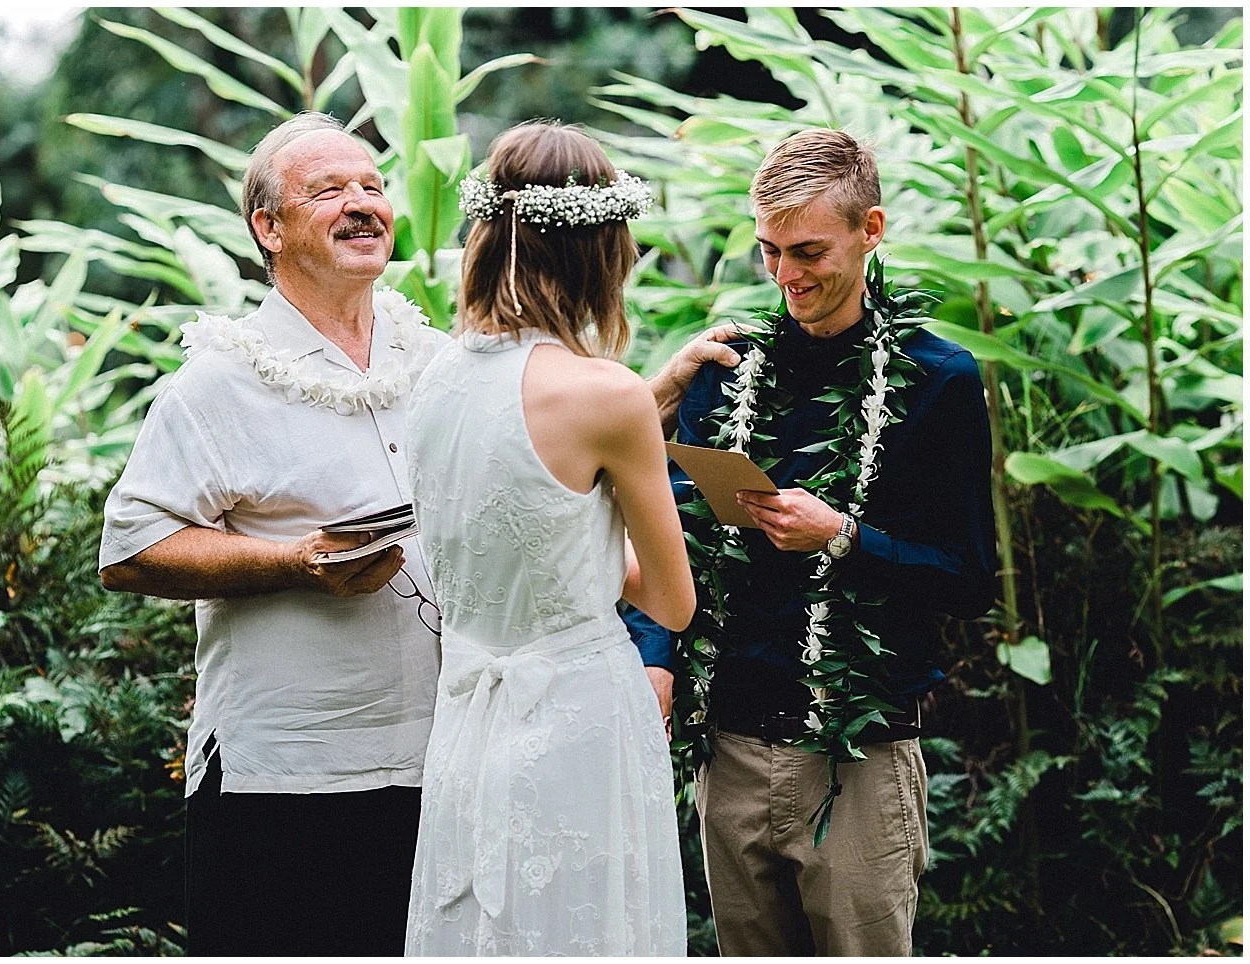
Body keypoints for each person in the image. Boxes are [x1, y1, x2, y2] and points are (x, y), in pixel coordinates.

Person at [625, 128, 996, 955]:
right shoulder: (726, 370)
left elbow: (970, 581)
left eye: (808, 251)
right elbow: (666, 539)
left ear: (871, 230)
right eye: (769, 251)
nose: (786, 275)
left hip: (857, 757)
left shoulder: (940, 380)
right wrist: (654, 655)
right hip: (729, 747)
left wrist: (846, 538)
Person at [98, 111, 451, 955]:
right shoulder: (219, 382)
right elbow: (130, 551)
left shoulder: (440, 362)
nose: (362, 203)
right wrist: (294, 562)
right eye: (328, 190)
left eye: (372, 186)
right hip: (286, 776)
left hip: (445, 761)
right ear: (269, 227)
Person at [402, 121, 697, 955]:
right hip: (579, 717)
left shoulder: (435, 378)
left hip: (467, 720)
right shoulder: (609, 397)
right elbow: (671, 602)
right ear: (602, 251)